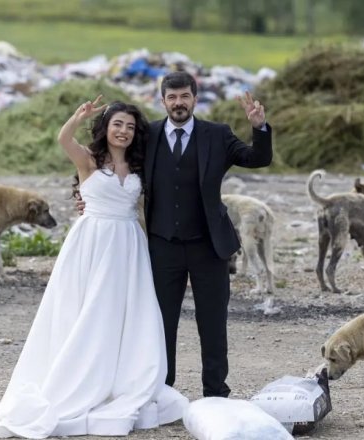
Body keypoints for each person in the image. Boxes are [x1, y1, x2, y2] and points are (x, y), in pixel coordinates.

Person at [0, 100, 188, 438]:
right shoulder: (90, 160)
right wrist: (77, 117)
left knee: (126, 312)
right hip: (92, 240)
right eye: (117, 125)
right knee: (86, 308)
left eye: (129, 126)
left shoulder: (141, 165)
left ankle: (123, 376)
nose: (123, 131)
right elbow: (63, 140)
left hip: (128, 243)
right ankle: (79, 376)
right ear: (106, 128)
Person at [78, 71, 272, 398]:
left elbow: (258, 158)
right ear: (163, 100)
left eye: (184, 97)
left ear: (195, 99)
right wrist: (92, 198)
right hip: (162, 246)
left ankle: (215, 394)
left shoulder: (217, 134)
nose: (178, 103)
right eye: (172, 97)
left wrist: (259, 128)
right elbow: (115, 163)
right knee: (160, 324)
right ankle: (162, 391)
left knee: (212, 325)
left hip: (209, 247)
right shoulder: (147, 135)